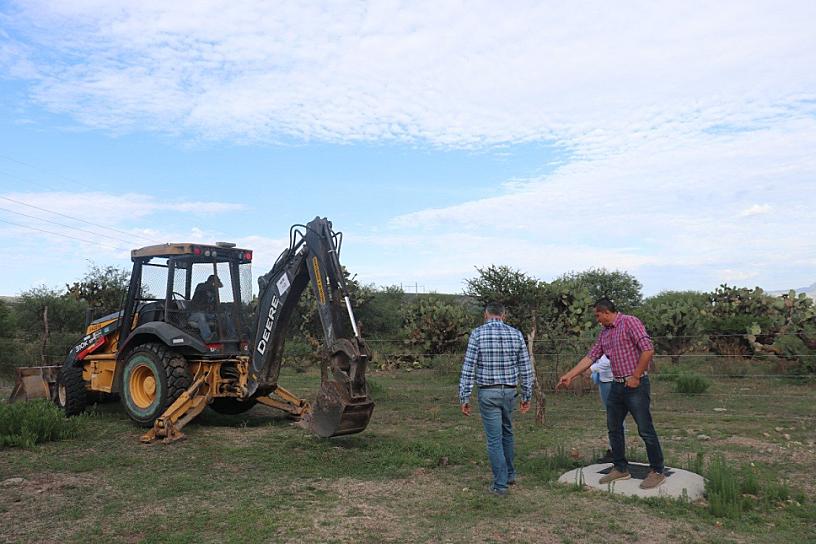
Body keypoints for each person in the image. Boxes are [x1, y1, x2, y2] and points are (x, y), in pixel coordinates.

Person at [557, 298, 666, 489]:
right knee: (614, 427)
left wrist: (636, 376)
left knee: (645, 428)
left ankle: (657, 470)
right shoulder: (605, 333)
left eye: (598, 315)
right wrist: (570, 375)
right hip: (617, 385)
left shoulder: (629, 322)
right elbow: (591, 356)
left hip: (635, 385)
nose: (597, 320)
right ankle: (620, 468)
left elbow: (648, 350)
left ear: (606, 312)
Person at [459, 302, 534, 496]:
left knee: (494, 439)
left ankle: (500, 485)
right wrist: (526, 394)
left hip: (488, 392)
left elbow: (469, 367)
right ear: (504, 315)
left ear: (486, 315)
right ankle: (509, 474)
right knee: (507, 433)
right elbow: (526, 368)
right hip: (509, 392)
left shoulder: (477, 334)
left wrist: (464, 396)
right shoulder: (516, 334)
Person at [588, 354, 616, 463]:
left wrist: (591, 368)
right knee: (612, 415)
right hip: (604, 379)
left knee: (615, 416)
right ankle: (614, 449)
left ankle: (615, 450)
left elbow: (610, 359)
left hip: (610, 380)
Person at [190, 274, 222, 341]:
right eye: (214, 283)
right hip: (194, 314)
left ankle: (232, 335)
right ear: (211, 282)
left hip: (207, 314)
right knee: (201, 316)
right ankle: (208, 338)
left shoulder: (214, 292)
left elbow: (216, 306)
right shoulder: (201, 287)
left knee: (224, 315)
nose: (216, 286)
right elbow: (196, 303)